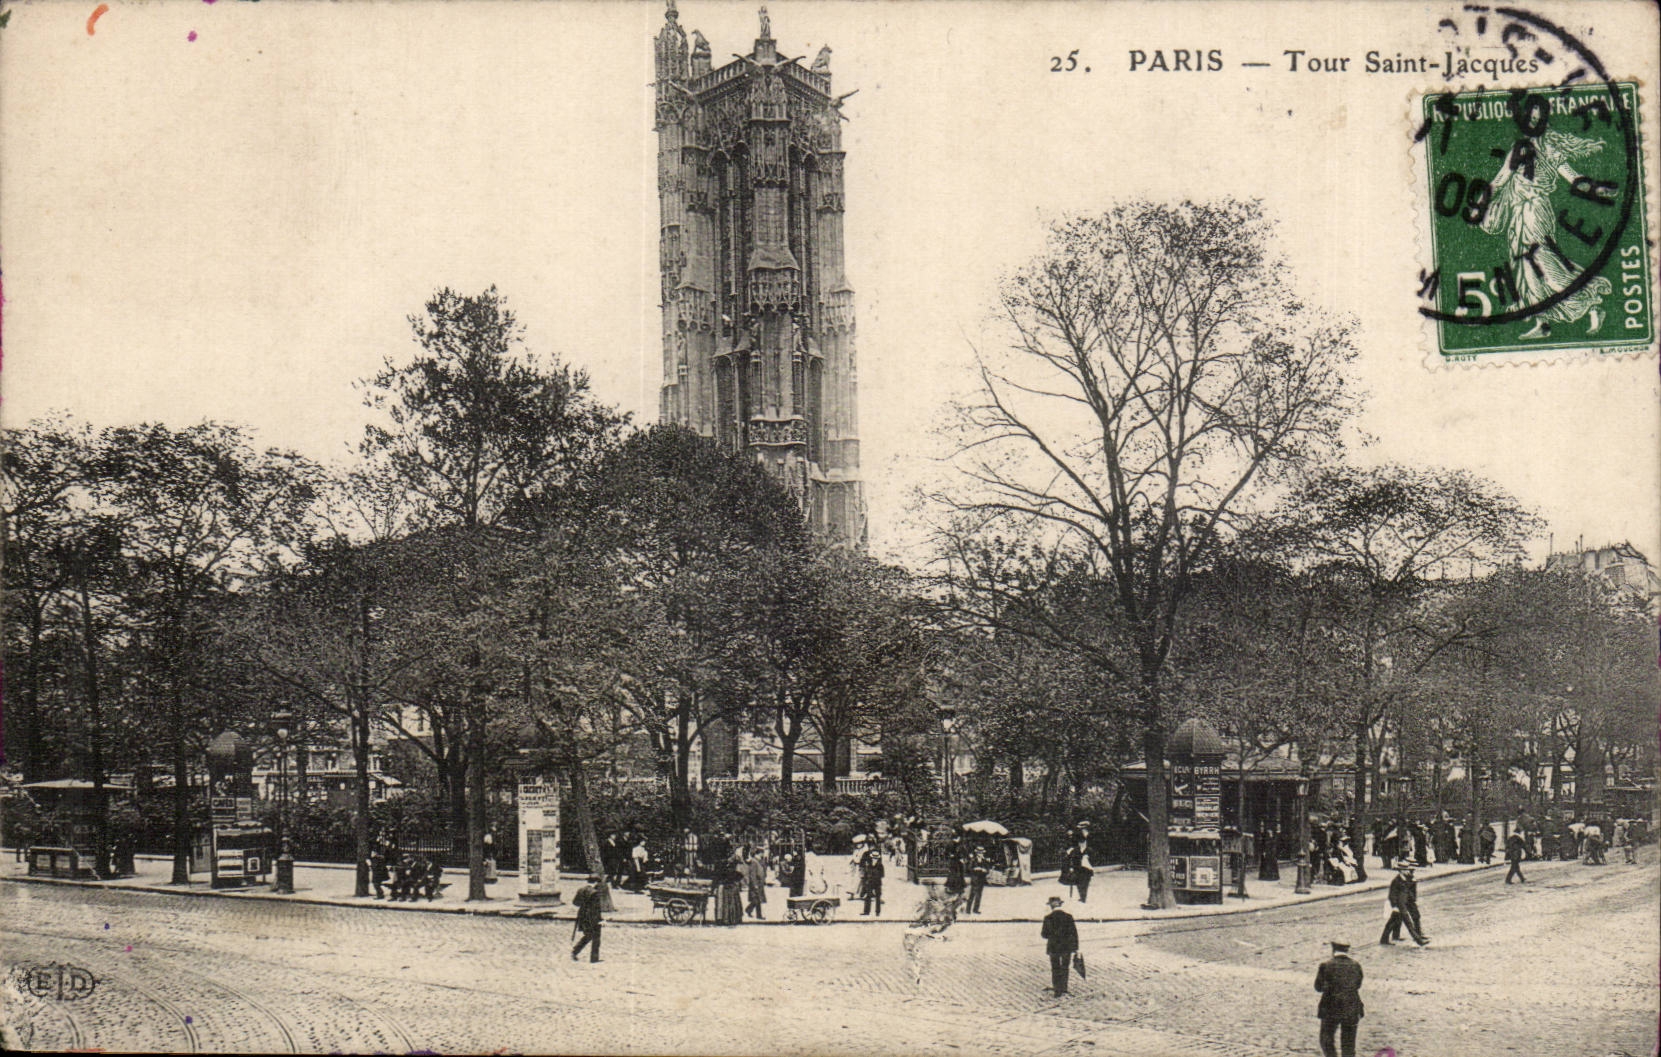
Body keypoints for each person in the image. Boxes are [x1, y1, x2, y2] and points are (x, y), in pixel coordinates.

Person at [1314, 939, 1365, 1057]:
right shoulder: (1356, 965)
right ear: (1347, 950)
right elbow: (1358, 985)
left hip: (1330, 1008)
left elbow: (1318, 987)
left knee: (1326, 1040)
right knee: (1349, 1045)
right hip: (1351, 1008)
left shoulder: (1325, 965)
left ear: (1333, 949)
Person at [1039, 895, 1079, 997]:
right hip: (1067, 947)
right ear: (1060, 904)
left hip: (1053, 947)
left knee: (1055, 967)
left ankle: (1057, 990)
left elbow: (1044, 935)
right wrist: (1075, 948)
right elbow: (1074, 933)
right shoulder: (1068, 917)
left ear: (1051, 906)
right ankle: (1064, 988)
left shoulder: (1048, 918)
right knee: (1065, 967)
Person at [1379, 865, 1428, 946]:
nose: (1408, 871)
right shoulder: (1396, 881)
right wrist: (1394, 906)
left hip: (1408, 902)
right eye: (1405, 870)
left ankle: (1385, 939)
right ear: (1401, 871)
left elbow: (1410, 890)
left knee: (1394, 921)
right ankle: (1418, 940)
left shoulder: (1408, 878)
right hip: (1400, 905)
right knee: (1407, 922)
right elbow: (1392, 895)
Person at [571, 874, 603, 963]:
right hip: (592, 918)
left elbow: (575, 902)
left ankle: (575, 951)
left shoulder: (581, 890)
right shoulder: (595, 893)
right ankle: (594, 958)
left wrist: (583, 905)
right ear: (596, 882)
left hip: (582, 916)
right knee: (596, 937)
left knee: (588, 935)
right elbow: (596, 909)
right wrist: (600, 920)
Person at [860, 843, 885, 916]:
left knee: (878, 897)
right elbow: (866, 873)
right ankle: (866, 911)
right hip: (870, 882)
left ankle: (877, 912)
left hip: (877, 883)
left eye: (876, 858)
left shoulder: (880, 866)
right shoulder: (869, 865)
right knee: (868, 896)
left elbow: (882, 875)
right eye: (873, 858)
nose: (874, 859)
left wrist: (875, 876)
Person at [1065, 839, 1094, 904]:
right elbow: (1071, 859)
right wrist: (1071, 867)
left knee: (1085, 884)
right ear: (1078, 843)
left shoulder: (1089, 850)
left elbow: (1094, 859)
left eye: (1083, 843)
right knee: (1079, 884)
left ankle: (1083, 897)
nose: (1082, 844)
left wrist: (1088, 858)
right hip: (1078, 869)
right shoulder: (1075, 850)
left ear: (1086, 843)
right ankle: (1081, 896)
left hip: (1087, 870)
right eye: (1081, 843)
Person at [743, 849, 768, 920]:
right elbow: (752, 874)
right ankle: (750, 910)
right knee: (756, 900)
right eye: (762, 853)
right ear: (759, 853)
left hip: (759, 883)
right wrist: (755, 884)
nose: (763, 855)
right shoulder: (754, 861)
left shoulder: (759, 861)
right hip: (756, 883)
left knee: (758, 900)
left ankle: (753, 912)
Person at [966, 846, 989, 914]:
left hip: (981, 879)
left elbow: (988, 870)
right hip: (975, 879)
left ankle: (975, 909)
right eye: (979, 853)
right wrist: (975, 869)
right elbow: (969, 868)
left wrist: (984, 870)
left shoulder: (984, 861)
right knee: (972, 894)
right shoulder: (973, 860)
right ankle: (968, 910)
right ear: (977, 853)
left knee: (979, 895)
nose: (981, 854)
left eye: (982, 853)